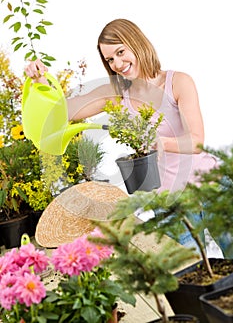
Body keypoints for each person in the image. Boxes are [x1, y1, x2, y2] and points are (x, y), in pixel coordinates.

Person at [25, 18, 228, 256]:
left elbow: (197, 141)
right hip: (171, 204)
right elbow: (63, 111)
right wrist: (41, 83)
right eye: (110, 59)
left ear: (136, 43)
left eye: (121, 52)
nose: (117, 63)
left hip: (212, 186)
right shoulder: (119, 95)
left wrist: (161, 143)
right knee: (186, 273)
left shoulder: (177, 82)